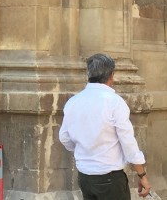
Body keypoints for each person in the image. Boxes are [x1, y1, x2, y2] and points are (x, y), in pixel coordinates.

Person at [58, 53, 151, 199]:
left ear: (88, 74)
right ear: (111, 75)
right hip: (109, 178)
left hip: (85, 176)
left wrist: (85, 151)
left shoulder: (73, 102)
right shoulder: (114, 102)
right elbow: (128, 143)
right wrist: (142, 174)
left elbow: (64, 137)